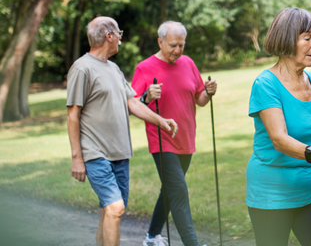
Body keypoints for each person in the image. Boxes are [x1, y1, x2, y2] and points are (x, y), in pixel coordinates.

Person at [67, 17, 178, 246]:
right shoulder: (82, 67)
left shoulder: (114, 68)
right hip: (95, 152)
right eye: (119, 33)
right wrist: (77, 158)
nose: (121, 37)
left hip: (119, 153)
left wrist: (161, 120)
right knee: (115, 209)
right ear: (109, 36)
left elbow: (133, 103)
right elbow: (72, 114)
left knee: (109, 212)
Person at [246, 8, 311, 246]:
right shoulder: (266, 84)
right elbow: (278, 139)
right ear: (287, 40)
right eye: (307, 38)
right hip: (272, 195)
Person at [132, 21, 217, 246]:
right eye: (172, 45)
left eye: (181, 45)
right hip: (161, 140)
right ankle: (192, 243)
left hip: (186, 139)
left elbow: (199, 100)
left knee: (170, 189)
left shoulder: (188, 63)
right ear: (160, 42)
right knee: (178, 191)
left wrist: (208, 93)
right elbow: (133, 105)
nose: (178, 51)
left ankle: (151, 237)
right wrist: (147, 97)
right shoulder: (144, 68)